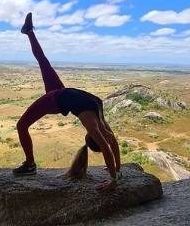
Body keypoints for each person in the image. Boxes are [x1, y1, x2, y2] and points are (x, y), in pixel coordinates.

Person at [13, 13, 122, 190]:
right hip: (60, 93)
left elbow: (110, 143)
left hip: (56, 99)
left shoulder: (96, 117)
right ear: (89, 138)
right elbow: (108, 143)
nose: (95, 135)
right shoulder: (96, 126)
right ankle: (29, 31)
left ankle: (30, 165)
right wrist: (115, 177)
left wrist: (115, 174)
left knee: (21, 125)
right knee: (43, 61)